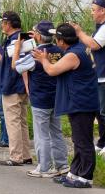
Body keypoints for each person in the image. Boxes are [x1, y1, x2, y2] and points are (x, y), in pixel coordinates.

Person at [32, 23, 99, 188]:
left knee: (83, 141)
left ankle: (85, 177)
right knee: (78, 139)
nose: (55, 40)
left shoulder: (73, 55)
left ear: (62, 41)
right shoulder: (79, 48)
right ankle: (74, 172)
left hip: (81, 102)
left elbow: (52, 71)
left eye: (57, 38)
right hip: (81, 100)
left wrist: (43, 60)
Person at [14, 21, 69, 177]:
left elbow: (17, 67)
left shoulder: (36, 53)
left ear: (38, 35)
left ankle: (44, 166)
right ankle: (62, 164)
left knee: (42, 134)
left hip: (40, 97)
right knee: (56, 132)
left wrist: (19, 49)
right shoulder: (60, 51)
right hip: (57, 97)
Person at [71, 0, 105, 154]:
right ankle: (102, 142)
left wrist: (79, 32)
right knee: (99, 111)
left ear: (103, 10)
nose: (91, 13)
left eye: (94, 10)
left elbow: (94, 44)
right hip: (101, 74)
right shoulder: (101, 27)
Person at [0, 11, 32, 167]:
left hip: (11, 84)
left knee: (13, 121)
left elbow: (13, 62)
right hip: (23, 85)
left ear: (8, 23)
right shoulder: (26, 39)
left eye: (3, 23)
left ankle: (16, 156)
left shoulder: (14, 41)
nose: (2, 26)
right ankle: (25, 155)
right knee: (22, 121)